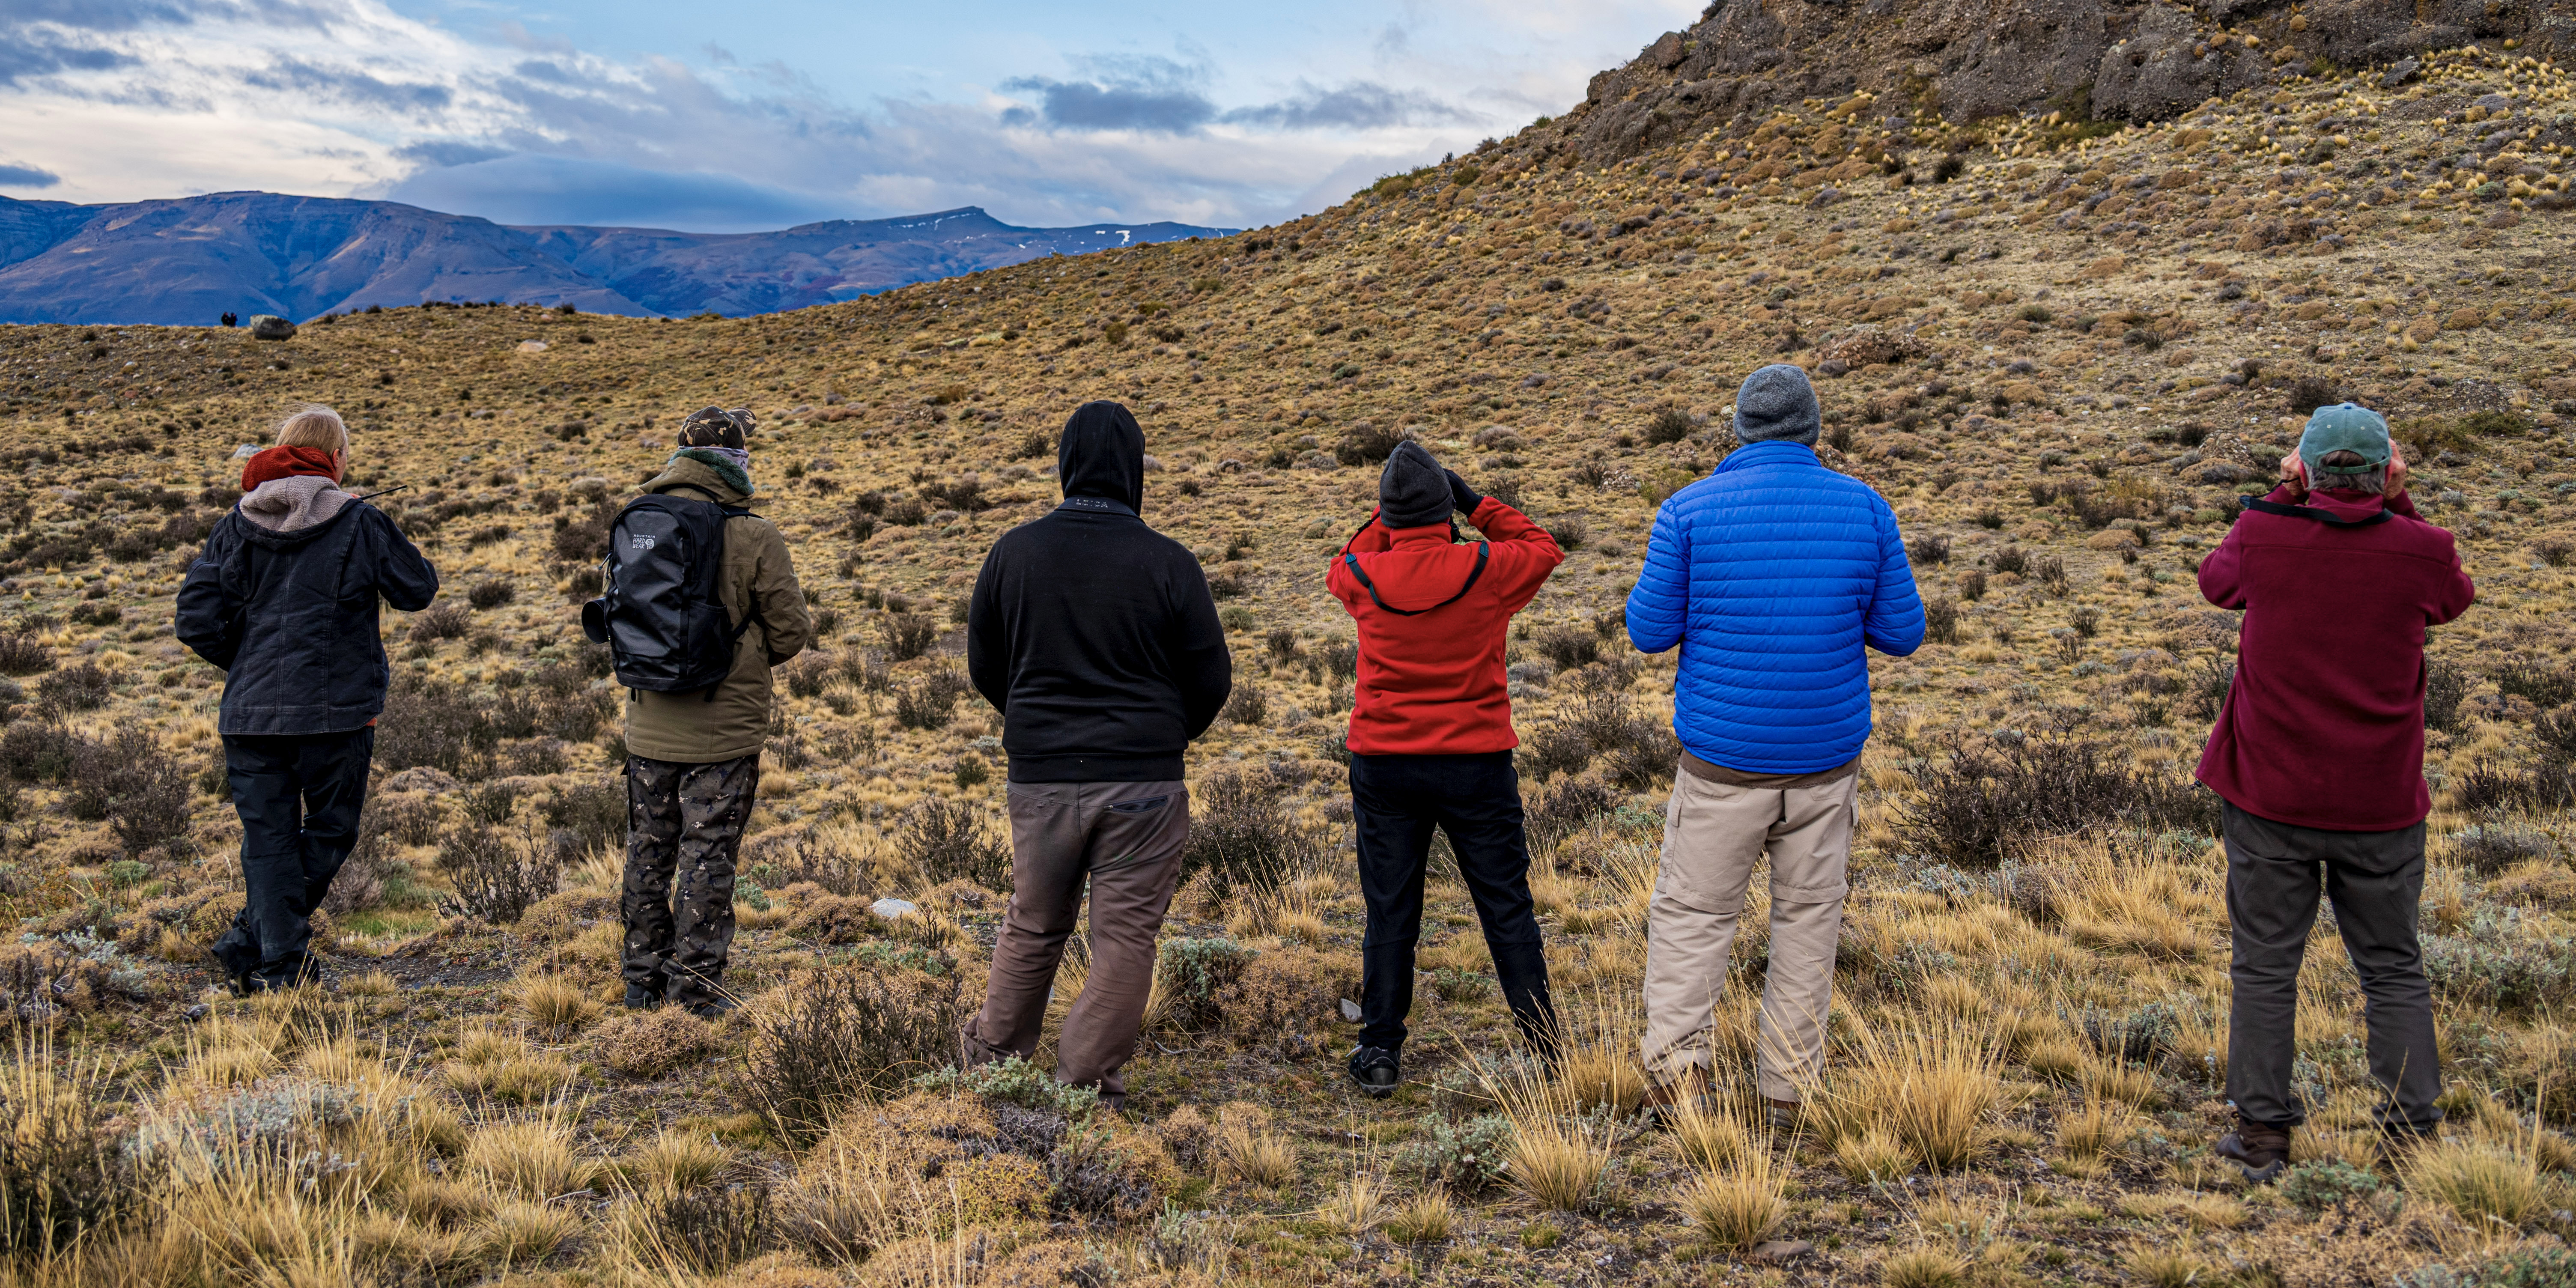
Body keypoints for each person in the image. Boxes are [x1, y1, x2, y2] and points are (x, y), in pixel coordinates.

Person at [1624, 364, 1924, 1125]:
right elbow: (1902, 634)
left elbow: (1649, 631)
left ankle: (1678, 1083)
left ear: (1741, 428)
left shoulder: (1687, 511)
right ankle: (1786, 1093)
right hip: (1824, 764)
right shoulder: (1866, 510)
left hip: (1722, 764)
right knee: (1808, 921)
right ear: (1811, 428)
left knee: (1693, 916)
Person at [2197, 404, 2474, 1181]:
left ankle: (2262, 1141)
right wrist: (2401, 504)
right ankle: (2408, 1138)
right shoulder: (2424, 551)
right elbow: (2452, 599)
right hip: (2379, 802)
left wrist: (2284, 496)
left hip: (2270, 795)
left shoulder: (2263, 535)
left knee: (2264, 965)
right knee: (2391, 966)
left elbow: (2216, 582)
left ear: (2306, 471)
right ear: (2385, 473)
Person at [962, 400, 1232, 1108]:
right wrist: (1160, 737)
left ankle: (992, 1066)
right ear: (1134, 469)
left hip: (1042, 781)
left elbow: (988, 669)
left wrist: (1040, 728)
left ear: (1065, 464)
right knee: (1124, 940)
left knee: (1034, 921)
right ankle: (1083, 1088)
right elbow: (1211, 679)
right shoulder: (1169, 562)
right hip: (1142, 784)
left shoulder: (1012, 553)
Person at [1327, 441, 1566, 1097]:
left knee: (1390, 908)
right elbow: (1545, 547)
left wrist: (1392, 515)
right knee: (1505, 904)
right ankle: (1546, 1045)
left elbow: (1344, 561)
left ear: (1388, 515)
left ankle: (1380, 1050)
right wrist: (1470, 500)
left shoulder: (1363, 578)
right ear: (1443, 509)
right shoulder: (1487, 569)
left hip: (1386, 764)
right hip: (1476, 761)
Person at [176, 404, 438, 993]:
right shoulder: (361, 522)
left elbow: (196, 619)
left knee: (268, 841)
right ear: (337, 458)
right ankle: (277, 965)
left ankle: (262, 948)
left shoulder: (235, 523)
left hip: (251, 716)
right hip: (337, 714)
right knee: (331, 832)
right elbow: (418, 590)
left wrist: (246, 663)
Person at [618, 406, 811, 1019]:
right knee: (709, 855)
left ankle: (640, 982)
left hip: (648, 720)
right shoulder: (755, 534)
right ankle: (695, 992)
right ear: (737, 464)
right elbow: (791, 632)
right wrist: (745, 651)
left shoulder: (637, 520)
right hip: (724, 729)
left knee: (648, 850)